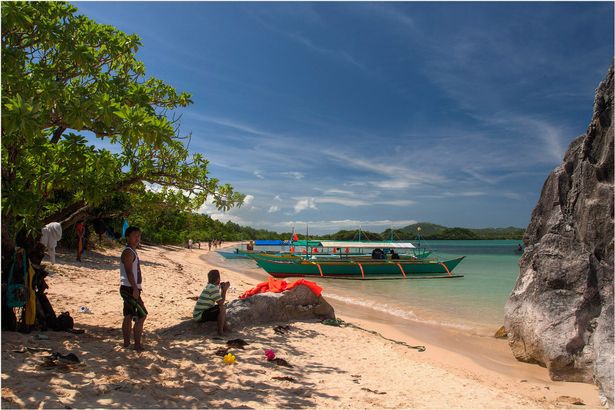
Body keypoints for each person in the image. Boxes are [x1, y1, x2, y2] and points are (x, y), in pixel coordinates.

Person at [119, 226, 147, 352]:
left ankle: (127, 343)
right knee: (142, 315)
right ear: (128, 237)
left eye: (139, 236)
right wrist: (135, 288)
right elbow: (129, 271)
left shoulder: (132, 251)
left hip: (130, 287)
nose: (137, 238)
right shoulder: (128, 252)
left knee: (129, 315)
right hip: (129, 288)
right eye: (135, 236)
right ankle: (137, 345)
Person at [193, 269, 230, 336]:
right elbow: (220, 302)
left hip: (199, 314)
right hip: (200, 315)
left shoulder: (209, 286)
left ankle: (225, 328)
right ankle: (220, 331)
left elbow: (217, 296)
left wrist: (221, 288)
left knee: (221, 308)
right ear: (218, 279)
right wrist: (224, 290)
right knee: (221, 308)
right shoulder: (213, 288)